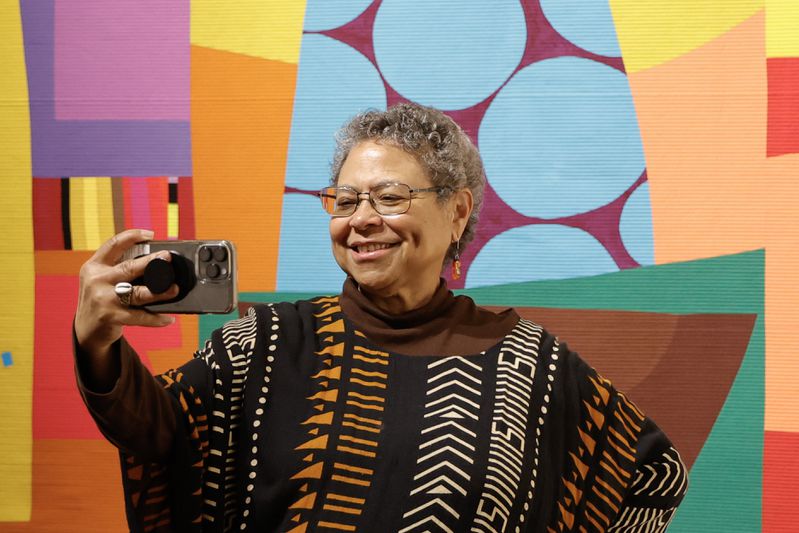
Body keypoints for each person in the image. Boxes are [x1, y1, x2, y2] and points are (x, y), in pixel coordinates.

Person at [74, 103, 687, 532]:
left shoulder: (532, 367)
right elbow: (158, 433)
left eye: (390, 197)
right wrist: (96, 339)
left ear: (457, 213)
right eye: (344, 200)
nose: (361, 218)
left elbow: (652, 475)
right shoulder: (265, 343)